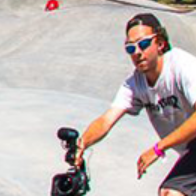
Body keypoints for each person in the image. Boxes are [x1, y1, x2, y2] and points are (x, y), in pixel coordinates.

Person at [74, 14, 196, 195]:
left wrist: (159, 148)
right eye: (130, 48)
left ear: (160, 43)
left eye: (143, 44)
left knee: (171, 192)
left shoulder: (182, 65)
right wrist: (82, 144)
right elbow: (107, 120)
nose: (137, 52)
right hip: (190, 152)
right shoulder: (135, 84)